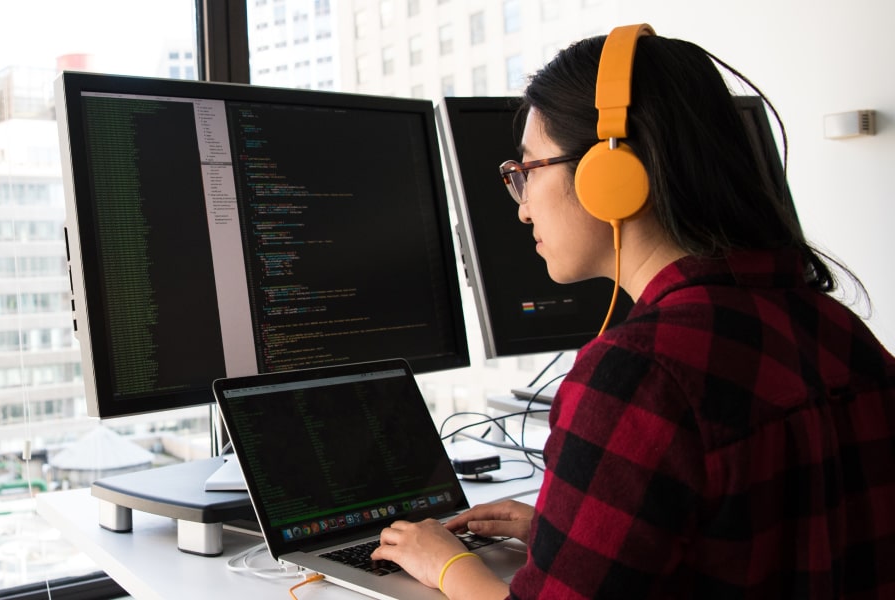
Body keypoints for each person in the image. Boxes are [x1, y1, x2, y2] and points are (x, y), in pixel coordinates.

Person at [370, 24, 895, 599]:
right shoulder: (841, 330)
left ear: (611, 175)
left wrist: (446, 563)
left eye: (526, 172)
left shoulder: (638, 375)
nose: (522, 211)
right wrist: (564, 532)